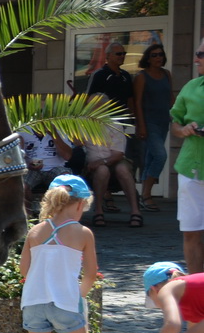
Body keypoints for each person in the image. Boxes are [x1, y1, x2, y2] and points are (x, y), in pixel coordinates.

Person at [19, 173, 97, 333]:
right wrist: (80, 297)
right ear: (78, 204)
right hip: (64, 301)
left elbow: (24, 269)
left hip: (33, 302)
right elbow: (90, 274)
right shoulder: (82, 232)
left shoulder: (35, 231)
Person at [169, 53, 204, 273]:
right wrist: (184, 130)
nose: (195, 59)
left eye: (201, 55)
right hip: (192, 169)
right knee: (191, 231)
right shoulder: (191, 86)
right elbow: (175, 124)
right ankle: (197, 290)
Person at [132, 43, 173, 212]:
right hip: (148, 122)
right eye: (154, 55)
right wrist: (140, 125)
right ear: (148, 59)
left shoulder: (167, 74)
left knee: (150, 158)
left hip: (164, 121)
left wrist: (178, 116)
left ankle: (142, 195)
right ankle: (147, 194)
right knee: (160, 156)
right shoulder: (142, 76)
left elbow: (171, 98)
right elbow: (137, 102)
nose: (158, 58)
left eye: (160, 55)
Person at [82, 120, 142, 227]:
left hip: (115, 161)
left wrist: (102, 162)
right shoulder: (80, 124)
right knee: (102, 170)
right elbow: (76, 145)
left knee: (122, 168)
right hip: (91, 166)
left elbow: (118, 154)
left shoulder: (114, 125)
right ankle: (98, 211)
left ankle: (135, 211)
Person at [20, 128, 74, 213]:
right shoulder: (23, 131)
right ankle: (28, 217)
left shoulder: (59, 130)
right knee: (21, 186)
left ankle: (60, 216)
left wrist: (54, 133)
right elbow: (18, 158)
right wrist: (28, 164)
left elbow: (67, 156)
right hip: (31, 169)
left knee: (65, 183)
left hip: (55, 167)